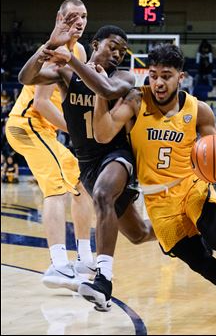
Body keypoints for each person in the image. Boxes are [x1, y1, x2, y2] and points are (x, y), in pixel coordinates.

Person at [80, 43, 216, 323]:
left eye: (166, 75)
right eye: (153, 74)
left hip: (191, 187)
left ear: (180, 77)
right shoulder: (135, 100)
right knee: (203, 264)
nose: (157, 82)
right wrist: (98, 94)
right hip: (158, 202)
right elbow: (104, 134)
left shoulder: (198, 110)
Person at [18, 18, 156, 308]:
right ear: (96, 45)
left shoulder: (125, 78)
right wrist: (46, 49)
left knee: (103, 195)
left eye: (122, 51)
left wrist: (74, 61)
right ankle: (183, 228)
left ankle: (102, 279)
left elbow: (105, 89)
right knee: (139, 233)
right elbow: (26, 78)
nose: (118, 54)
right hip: (89, 163)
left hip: (116, 155)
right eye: (113, 47)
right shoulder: (67, 74)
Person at [5, 0, 95, 292]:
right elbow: (42, 104)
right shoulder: (57, 49)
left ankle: (84, 258)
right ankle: (58, 264)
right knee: (56, 186)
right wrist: (78, 132)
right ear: (59, 17)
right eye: (72, 17)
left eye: (83, 16)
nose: (78, 22)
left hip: (47, 132)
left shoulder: (79, 51)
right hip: (27, 124)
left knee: (82, 185)